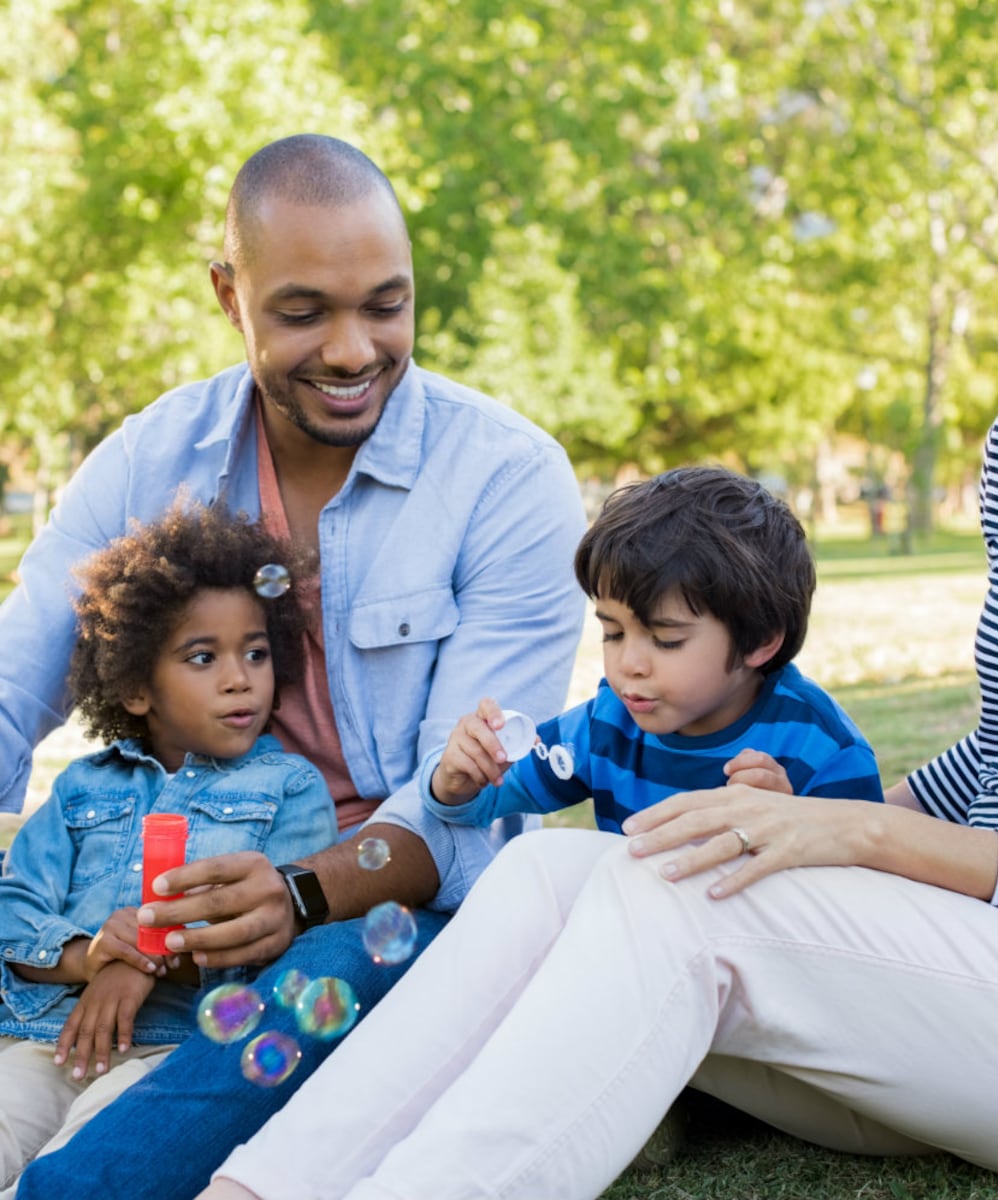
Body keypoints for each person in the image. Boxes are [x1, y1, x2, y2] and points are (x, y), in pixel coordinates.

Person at [197, 92, 998, 1200]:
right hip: (978, 983)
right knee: (545, 874)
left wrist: (849, 833)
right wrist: (821, 815)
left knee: (681, 889)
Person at [10, 134, 585, 1200]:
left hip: (390, 912)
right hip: (180, 904)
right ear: (229, 296)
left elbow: (463, 802)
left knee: (325, 973)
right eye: (304, 310)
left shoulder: (508, 480)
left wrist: (298, 892)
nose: (355, 347)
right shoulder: (148, 461)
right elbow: (11, 693)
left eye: (386, 304)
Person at [0, 501, 337, 1190]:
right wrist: (90, 957)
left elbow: (274, 939)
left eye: (256, 652)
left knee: (84, 1160)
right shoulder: (82, 790)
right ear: (133, 686)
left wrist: (145, 962)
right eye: (202, 657)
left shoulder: (288, 788)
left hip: (175, 1052)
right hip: (47, 1042)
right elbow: (13, 910)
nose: (240, 677)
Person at [425, 466, 883, 838]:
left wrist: (791, 825)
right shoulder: (608, 725)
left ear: (760, 640)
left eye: (666, 640)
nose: (628, 666)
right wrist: (458, 781)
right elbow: (488, 803)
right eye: (612, 633)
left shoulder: (822, 748)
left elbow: (857, 903)